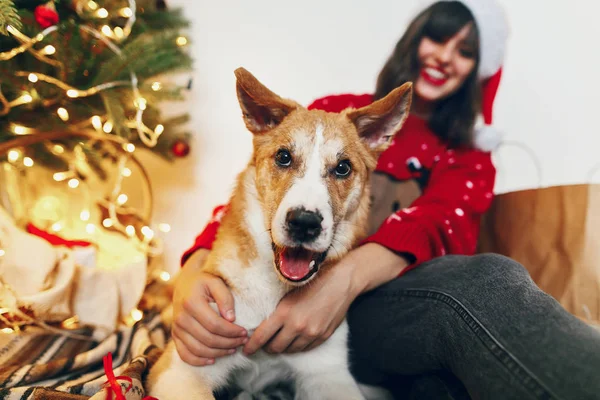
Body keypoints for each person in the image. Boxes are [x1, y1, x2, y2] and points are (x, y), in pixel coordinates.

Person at [171, 0, 600, 398]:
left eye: (466, 50)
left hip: (393, 305)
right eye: (438, 37)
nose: (445, 56)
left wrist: (341, 281)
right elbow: (255, 191)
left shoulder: (468, 155)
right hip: (297, 292)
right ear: (415, 39)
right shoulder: (336, 114)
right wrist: (191, 274)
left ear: (478, 69)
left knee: (489, 279)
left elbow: (437, 222)